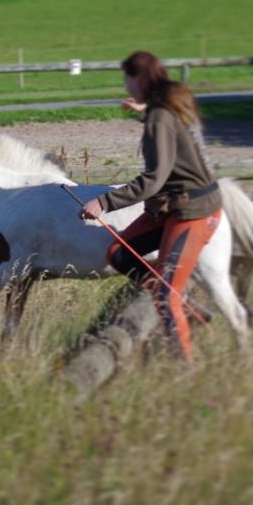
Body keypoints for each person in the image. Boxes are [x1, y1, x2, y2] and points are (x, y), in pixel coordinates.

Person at [79, 50, 222, 361]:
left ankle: (183, 369)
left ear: (138, 78)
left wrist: (104, 202)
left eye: (126, 79)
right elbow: (171, 133)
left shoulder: (161, 114)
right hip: (176, 205)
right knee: (119, 254)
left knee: (166, 297)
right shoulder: (173, 100)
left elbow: (154, 179)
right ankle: (188, 306)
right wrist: (144, 111)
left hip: (193, 210)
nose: (125, 85)